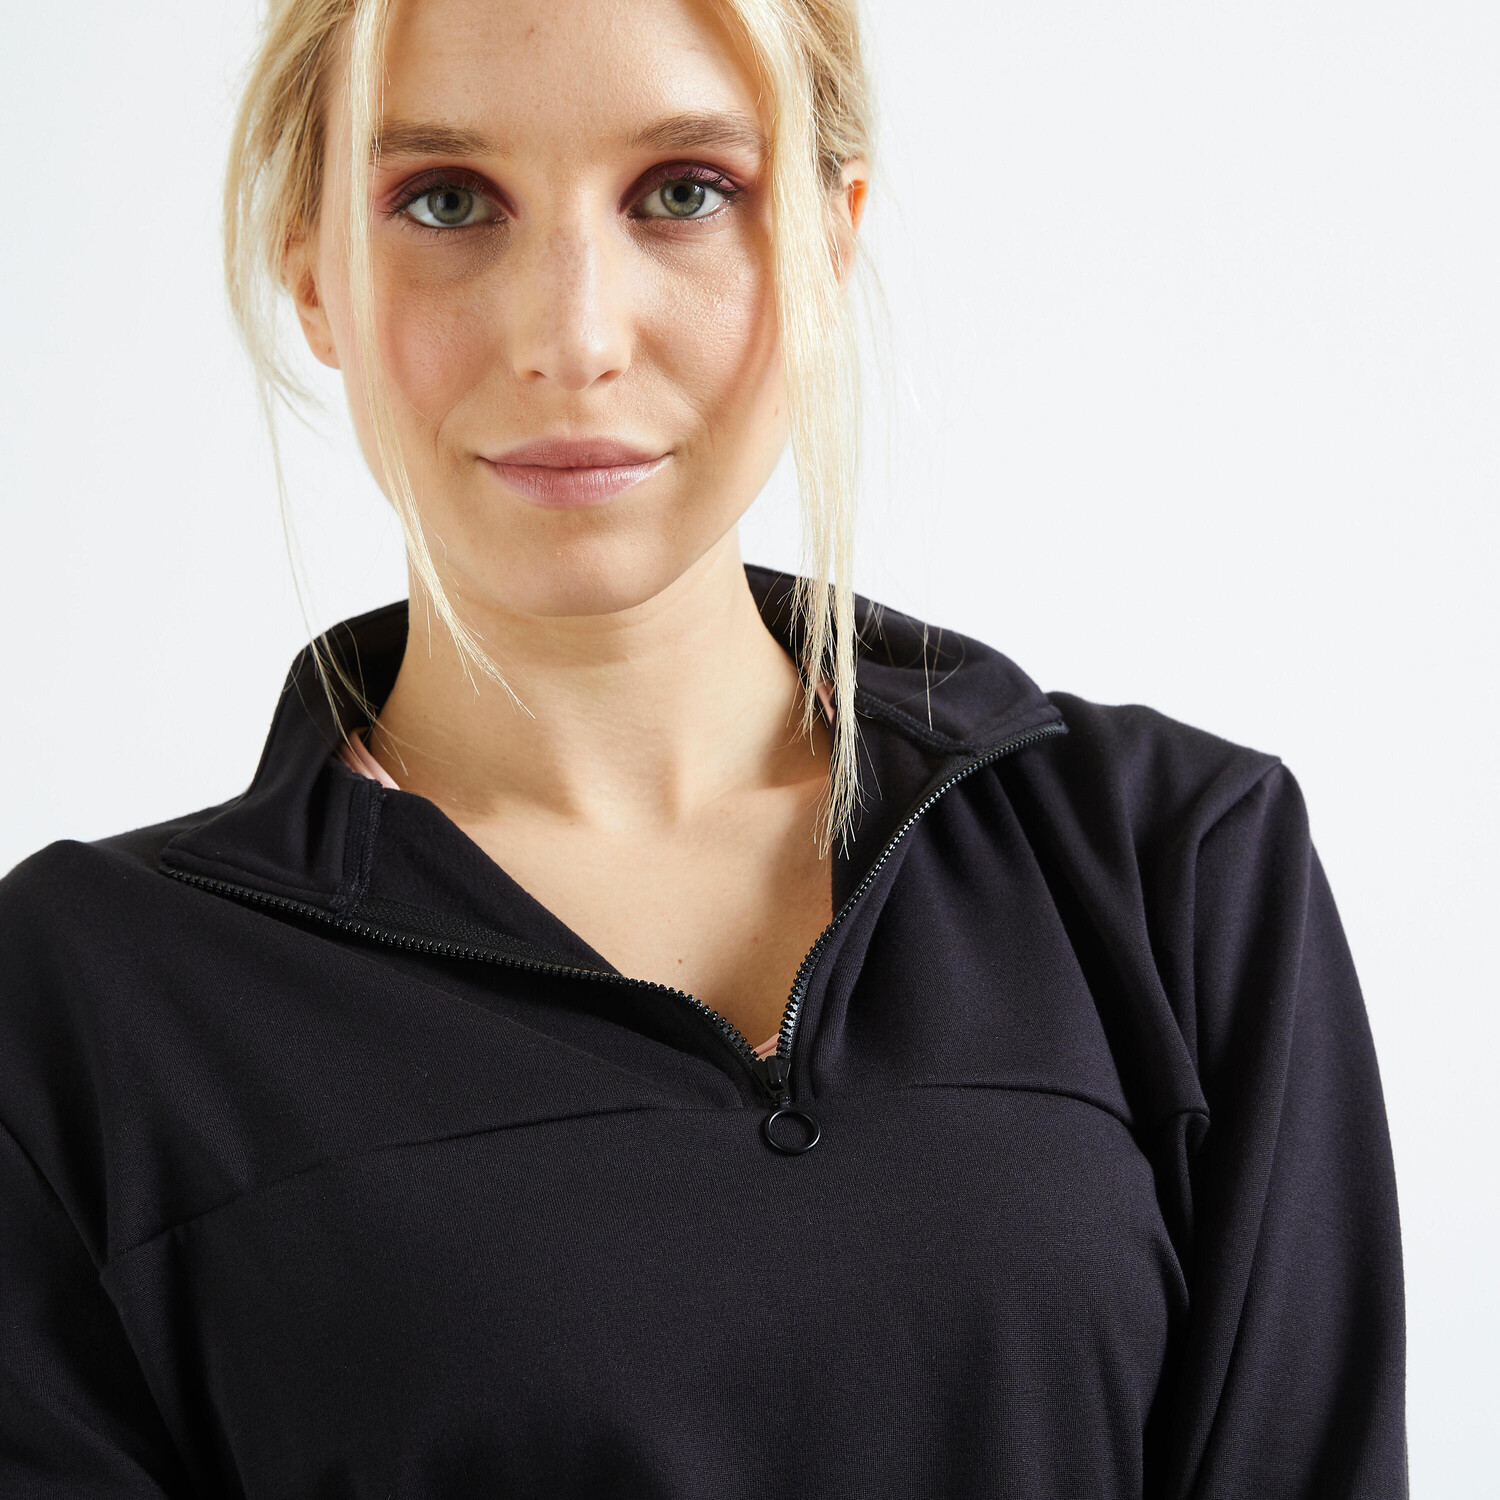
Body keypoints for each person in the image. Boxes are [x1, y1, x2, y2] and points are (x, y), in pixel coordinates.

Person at [0, 0, 1406, 1494]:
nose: (573, 340)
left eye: (684, 192)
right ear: (314, 271)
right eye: (447, 201)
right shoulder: (81, 1006)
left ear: (826, 243)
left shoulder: (1171, 868)